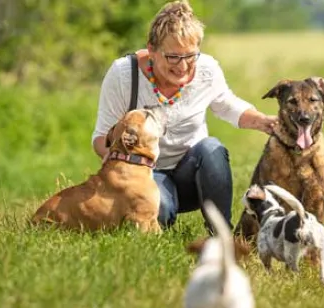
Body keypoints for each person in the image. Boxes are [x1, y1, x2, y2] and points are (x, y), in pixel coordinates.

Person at [91, 0, 277, 232]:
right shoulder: (123, 75)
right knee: (161, 215)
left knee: (212, 148)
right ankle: (160, 214)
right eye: (173, 57)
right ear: (152, 50)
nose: (183, 66)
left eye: (190, 56)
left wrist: (263, 121)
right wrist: (124, 176)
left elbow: (228, 106)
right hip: (146, 175)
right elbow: (101, 138)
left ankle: (220, 234)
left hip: (194, 174)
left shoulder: (207, 69)